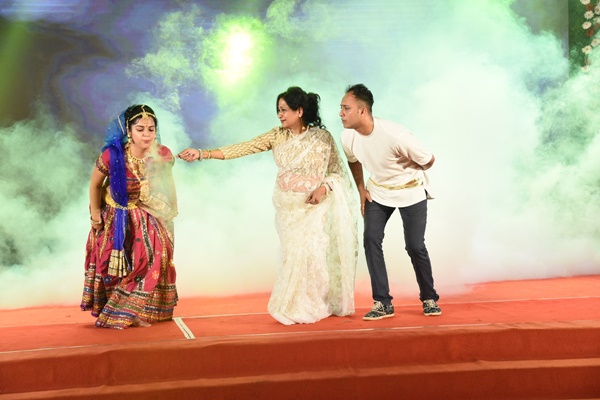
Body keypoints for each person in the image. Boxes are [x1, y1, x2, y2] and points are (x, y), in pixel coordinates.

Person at [178, 86, 357, 325]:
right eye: (278, 110)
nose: (279, 115)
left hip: (313, 208)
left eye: (284, 110)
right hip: (288, 209)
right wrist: (202, 153)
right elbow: (244, 147)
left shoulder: (322, 138)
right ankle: (292, 305)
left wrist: (323, 189)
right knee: (292, 254)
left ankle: (314, 303)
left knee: (312, 255)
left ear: (299, 111)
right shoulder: (276, 136)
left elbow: (336, 172)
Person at [339, 84, 441, 320]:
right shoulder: (348, 136)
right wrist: (361, 188)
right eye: (341, 108)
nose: (341, 113)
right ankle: (382, 302)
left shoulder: (396, 135)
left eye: (346, 108)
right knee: (371, 239)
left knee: (415, 246)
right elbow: (353, 161)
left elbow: (429, 160)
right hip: (378, 192)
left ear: (362, 111)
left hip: (410, 191)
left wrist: (410, 167)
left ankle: (429, 298)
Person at [81, 104, 179, 329]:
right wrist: (95, 216)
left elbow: (168, 181)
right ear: (128, 131)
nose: (146, 134)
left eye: (151, 129)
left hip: (150, 212)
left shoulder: (162, 154)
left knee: (154, 257)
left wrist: (172, 208)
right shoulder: (113, 154)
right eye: (140, 129)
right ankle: (120, 311)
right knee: (115, 265)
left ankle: (137, 309)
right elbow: (95, 185)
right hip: (117, 216)